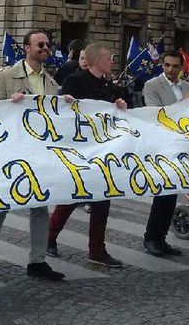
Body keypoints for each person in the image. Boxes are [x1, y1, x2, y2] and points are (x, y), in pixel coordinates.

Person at [0, 30, 67, 280]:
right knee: (3, 203)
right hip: (12, 151)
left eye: (48, 44)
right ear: (27, 47)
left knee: (39, 207)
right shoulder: (7, 76)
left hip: (38, 152)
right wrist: (9, 104)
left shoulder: (50, 81)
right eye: (41, 44)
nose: (46, 48)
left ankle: (37, 261)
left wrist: (67, 103)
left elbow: (55, 115)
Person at [48, 43, 128, 268]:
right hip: (79, 150)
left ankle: (97, 250)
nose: (112, 62)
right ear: (98, 62)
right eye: (109, 58)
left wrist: (119, 104)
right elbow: (60, 111)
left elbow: (114, 111)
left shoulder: (108, 85)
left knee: (103, 199)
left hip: (102, 152)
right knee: (72, 197)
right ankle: (49, 237)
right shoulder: (75, 80)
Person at [140, 50, 189, 257]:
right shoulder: (152, 85)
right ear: (162, 65)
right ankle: (151, 237)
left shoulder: (187, 86)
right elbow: (157, 114)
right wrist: (185, 104)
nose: (170, 70)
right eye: (167, 65)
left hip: (181, 145)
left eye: (175, 66)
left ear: (181, 67)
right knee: (162, 192)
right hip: (161, 145)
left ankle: (161, 238)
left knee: (172, 193)